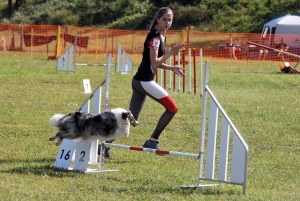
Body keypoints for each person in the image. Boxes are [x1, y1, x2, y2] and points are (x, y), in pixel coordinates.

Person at [100, 7, 185, 158]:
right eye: (165, 19)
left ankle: (104, 145)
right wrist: (171, 53)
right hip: (144, 81)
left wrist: (171, 67)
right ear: (158, 19)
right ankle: (152, 141)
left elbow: (154, 63)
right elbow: (154, 62)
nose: (168, 22)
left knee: (132, 119)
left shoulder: (161, 36)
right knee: (172, 108)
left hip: (140, 80)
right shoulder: (156, 38)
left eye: (170, 20)